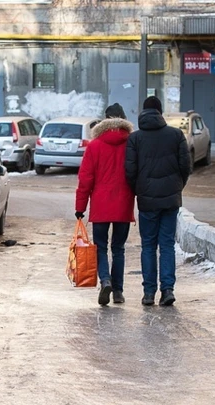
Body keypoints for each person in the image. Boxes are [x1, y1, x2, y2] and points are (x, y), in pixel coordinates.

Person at [124, 96, 191, 306]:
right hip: (171, 200)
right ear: (160, 113)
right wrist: (177, 187)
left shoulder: (135, 139)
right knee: (167, 245)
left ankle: (149, 293)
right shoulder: (176, 135)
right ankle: (168, 289)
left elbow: (129, 171)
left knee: (148, 246)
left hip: (146, 201)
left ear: (143, 113)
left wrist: (139, 190)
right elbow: (186, 167)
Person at [74, 102, 136, 306]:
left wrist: (80, 207)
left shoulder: (94, 146)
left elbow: (85, 179)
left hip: (100, 205)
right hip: (124, 204)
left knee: (100, 247)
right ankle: (118, 292)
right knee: (118, 248)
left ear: (104, 120)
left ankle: (105, 280)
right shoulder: (132, 144)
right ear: (124, 119)